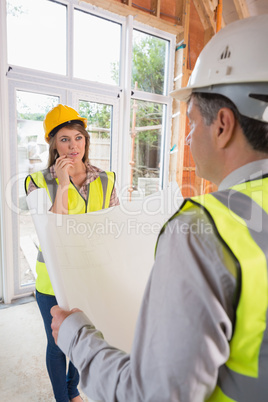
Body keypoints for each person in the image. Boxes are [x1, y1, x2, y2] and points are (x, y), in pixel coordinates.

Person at [51, 15, 268, 402]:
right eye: (65, 140)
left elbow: (157, 393)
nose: (186, 138)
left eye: (191, 123)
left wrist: (76, 336)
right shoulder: (46, 180)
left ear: (223, 125)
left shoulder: (203, 230)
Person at [25, 104, 119, 402]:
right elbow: (50, 231)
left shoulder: (105, 179)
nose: (73, 146)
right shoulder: (37, 182)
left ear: (86, 140)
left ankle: (73, 389)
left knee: (83, 338)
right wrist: (63, 185)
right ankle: (61, 398)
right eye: (64, 139)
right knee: (57, 344)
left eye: (78, 137)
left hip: (90, 275)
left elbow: (114, 224)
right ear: (53, 143)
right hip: (52, 280)